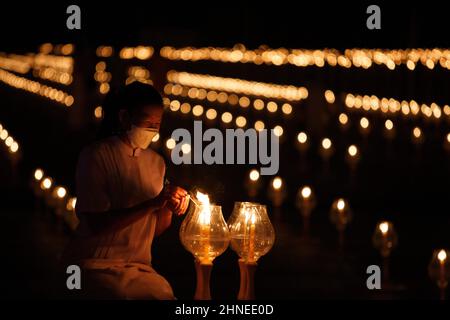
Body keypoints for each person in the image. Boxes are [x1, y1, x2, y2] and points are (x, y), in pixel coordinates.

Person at [61, 81, 189, 299]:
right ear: (124, 117)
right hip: (91, 265)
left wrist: (168, 206)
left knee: (165, 294)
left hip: (138, 266)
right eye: (147, 121)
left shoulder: (156, 162)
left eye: (157, 124)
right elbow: (97, 224)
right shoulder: (96, 155)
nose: (152, 129)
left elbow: (152, 230)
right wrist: (151, 204)